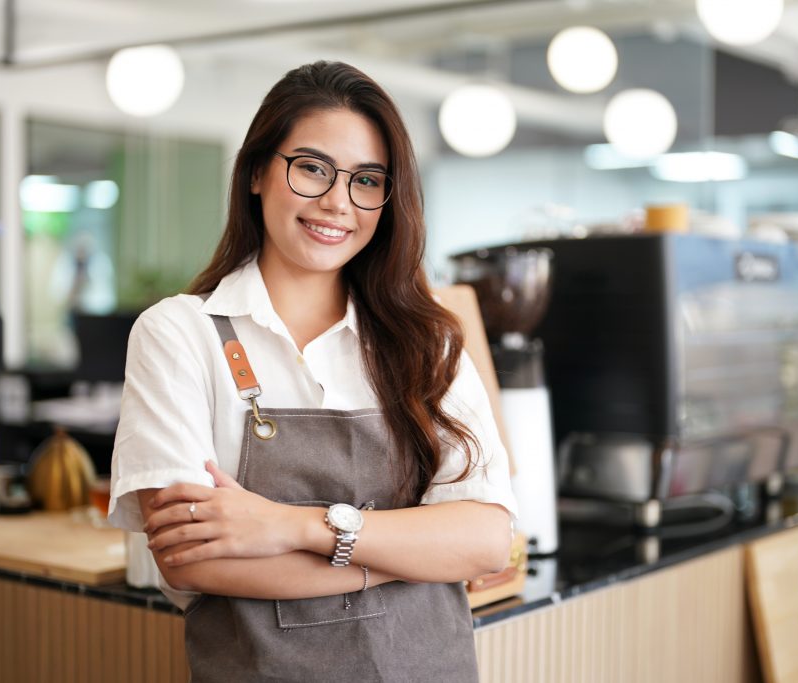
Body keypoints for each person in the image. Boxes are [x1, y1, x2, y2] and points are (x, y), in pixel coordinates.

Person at [108, 60, 517, 682]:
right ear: (255, 172)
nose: (336, 202)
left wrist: (289, 525)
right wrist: (411, 555)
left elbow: (486, 540)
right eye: (312, 168)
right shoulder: (179, 333)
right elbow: (190, 561)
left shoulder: (427, 342)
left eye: (366, 180)